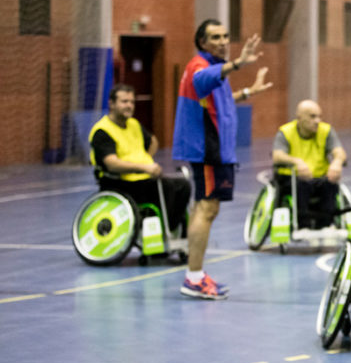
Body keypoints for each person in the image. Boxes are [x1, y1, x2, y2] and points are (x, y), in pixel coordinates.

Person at [173, 19, 273, 299]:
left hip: (216, 150)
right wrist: (239, 63)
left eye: (226, 36)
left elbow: (221, 101)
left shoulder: (214, 71)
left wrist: (249, 92)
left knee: (205, 209)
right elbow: (201, 81)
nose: (222, 41)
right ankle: (193, 278)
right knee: (206, 209)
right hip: (208, 150)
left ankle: (196, 274)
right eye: (215, 37)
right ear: (202, 43)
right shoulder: (200, 68)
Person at [89, 83, 190, 232]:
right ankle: (163, 230)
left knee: (183, 185)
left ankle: (170, 227)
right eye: (124, 102)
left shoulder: (133, 124)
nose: (129, 106)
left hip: (141, 179)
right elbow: (111, 164)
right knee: (166, 187)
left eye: (132, 102)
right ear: (111, 104)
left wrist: (145, 158)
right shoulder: (102, 131)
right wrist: (144, 167)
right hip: (119, 182)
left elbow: (153, 141)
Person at [272, 99, 347, 226]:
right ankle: (303, 224)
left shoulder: (326, 131)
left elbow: (339, 152)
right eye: (312, 117)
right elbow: (277, 156)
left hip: (319, 178)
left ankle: (325, 224)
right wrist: (296, 162)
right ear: (299, 118)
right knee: (301, 185)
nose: (317, 120)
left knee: (331, 183)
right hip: (293, 178)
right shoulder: (286, 132)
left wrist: (337, 162)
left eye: (319, 116)